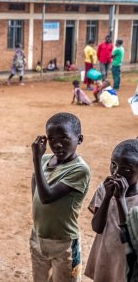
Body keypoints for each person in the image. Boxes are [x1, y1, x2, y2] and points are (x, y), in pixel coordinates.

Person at [30, 112, 91, 282]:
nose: (57, 144)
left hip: (64, 243)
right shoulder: (45, 160)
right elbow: (36, 181)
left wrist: (36, 158)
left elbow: (46, 197)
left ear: (79, 139)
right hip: (38, 236)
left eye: (64, 138)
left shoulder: (79, 170)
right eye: (51, 139)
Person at [84, 139, 138, 282]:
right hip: (106, 256)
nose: (116, 173)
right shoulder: (104, 189)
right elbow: (97, 227)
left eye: (126, 169)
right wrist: (108, 197)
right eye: (113, 165)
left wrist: (120, 200)